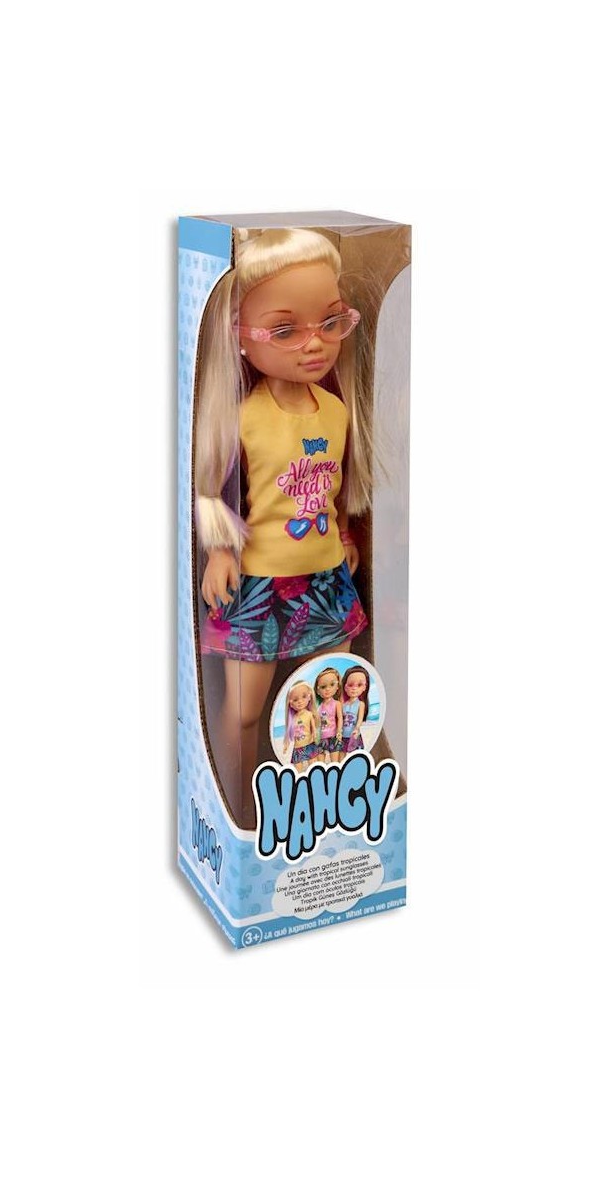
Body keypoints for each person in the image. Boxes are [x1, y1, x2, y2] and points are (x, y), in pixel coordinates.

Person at [195, 229, 373, 825]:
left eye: (330, 322)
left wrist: (343, 535)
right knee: (245, 710)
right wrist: (221, 551)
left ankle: (317, 806)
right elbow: (219, 490)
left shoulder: (337, 411)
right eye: (285, 330)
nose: (314, 344)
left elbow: (335, 487)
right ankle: (238, 807)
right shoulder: (243, 419)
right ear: (239, 337)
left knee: (325, 702)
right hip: (258, 585)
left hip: (326, 581)